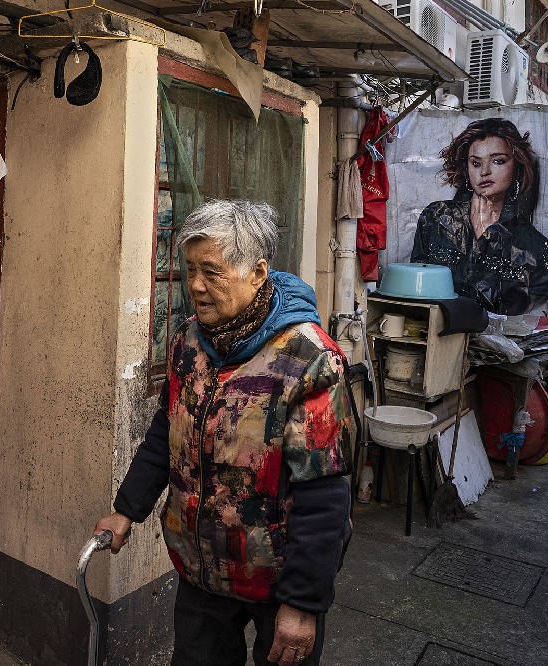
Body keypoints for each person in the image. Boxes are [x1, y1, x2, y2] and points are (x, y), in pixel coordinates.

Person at [94, 200, 355, 666]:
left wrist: (303, 604)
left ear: (257, 273)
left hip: (280, 578)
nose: (195, 285)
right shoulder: (190, 343)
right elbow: (165, 433)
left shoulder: (308, 360)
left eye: (211, 272)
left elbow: (326, 494)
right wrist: (125, 510)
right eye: (190, 270)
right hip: (203, 571)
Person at [410, 117, 548, 316]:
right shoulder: (436, 218)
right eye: (476, 163)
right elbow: (414, 286)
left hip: (495, 345)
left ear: (516, 165)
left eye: (498, 161)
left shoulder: (534, 247)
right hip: (432, 336)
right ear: (466, 167)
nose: (485, 172)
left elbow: (534, 320)